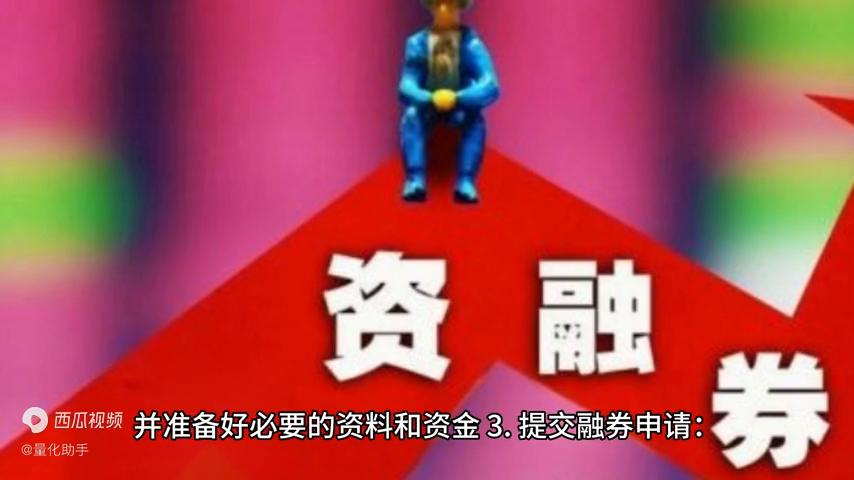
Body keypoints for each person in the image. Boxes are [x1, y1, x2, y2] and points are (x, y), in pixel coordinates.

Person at [399, 0, 500, 203]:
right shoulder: (417, 43)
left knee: (475, 120)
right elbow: (406, 85)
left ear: (461, 5)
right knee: (411, 117)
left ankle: (466, 182)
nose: (444, 9)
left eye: (450, 3)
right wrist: (428, 98)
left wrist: (458, 97)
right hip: (428, 107)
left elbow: (490, 85)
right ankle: (415, 180)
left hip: (459, 107)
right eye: (438, 3)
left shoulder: (471, 44)